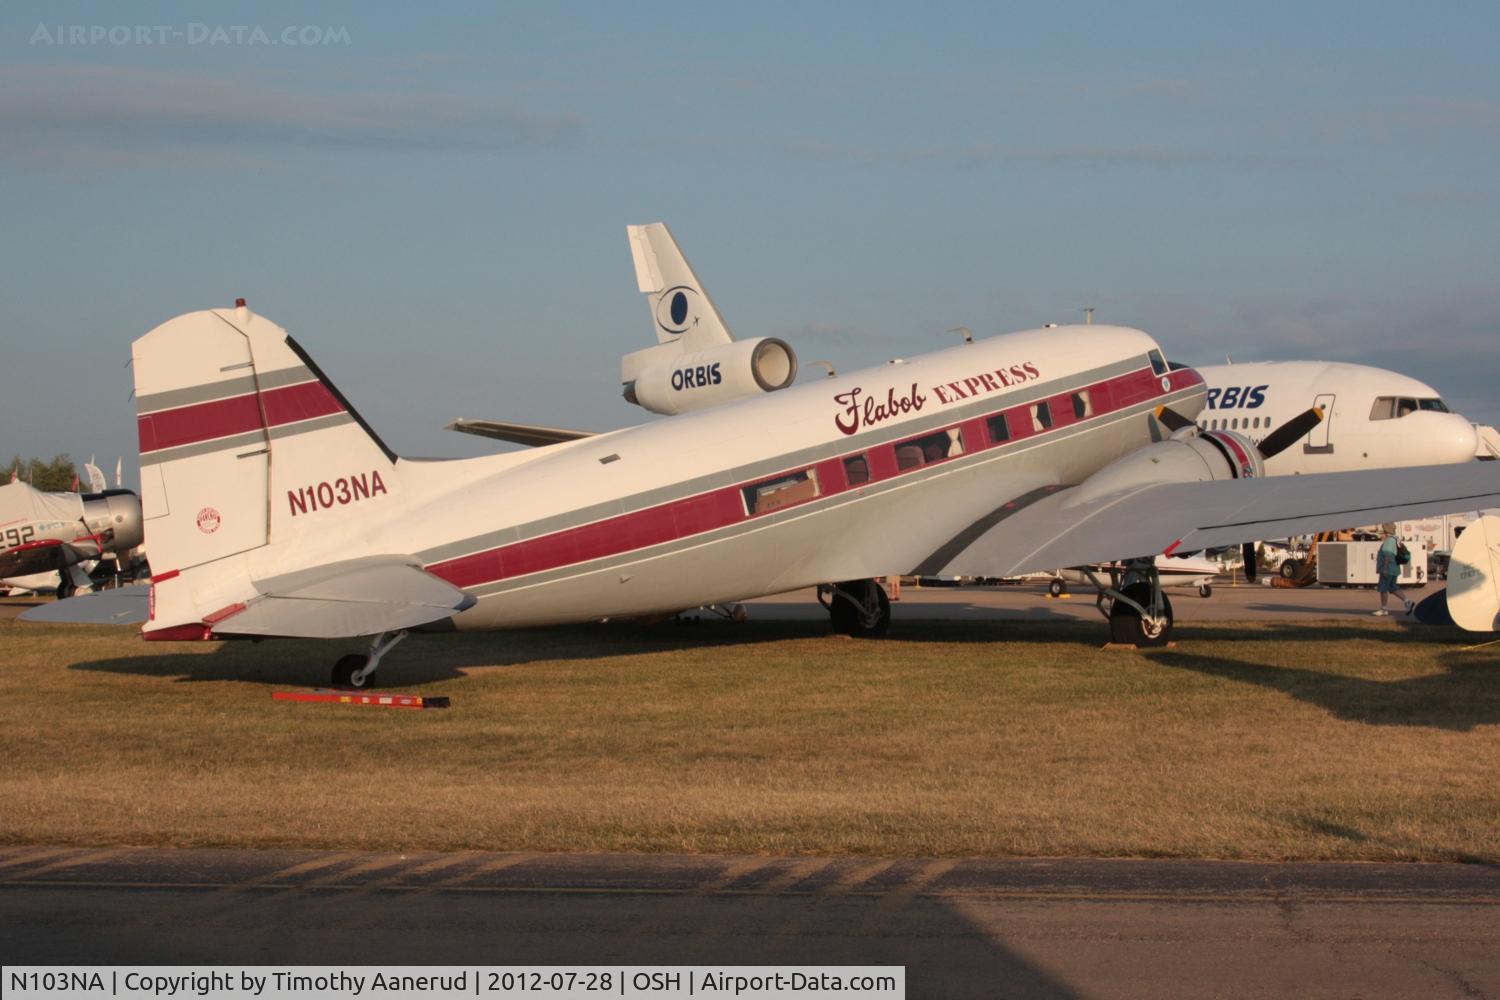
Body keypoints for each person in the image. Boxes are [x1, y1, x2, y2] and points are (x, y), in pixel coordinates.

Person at [1373, 526, 1414, 616]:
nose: (1381, 534)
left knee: (1383, 589)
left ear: (1386, 532)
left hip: (1389, 569)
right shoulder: (1396, 539)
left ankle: (1384, 609)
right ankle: (1408, 602)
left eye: (1382, 532)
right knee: (1393, 587)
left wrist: (1385, 568)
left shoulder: (1388, 541)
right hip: (1395, 568)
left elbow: (1388, 555)